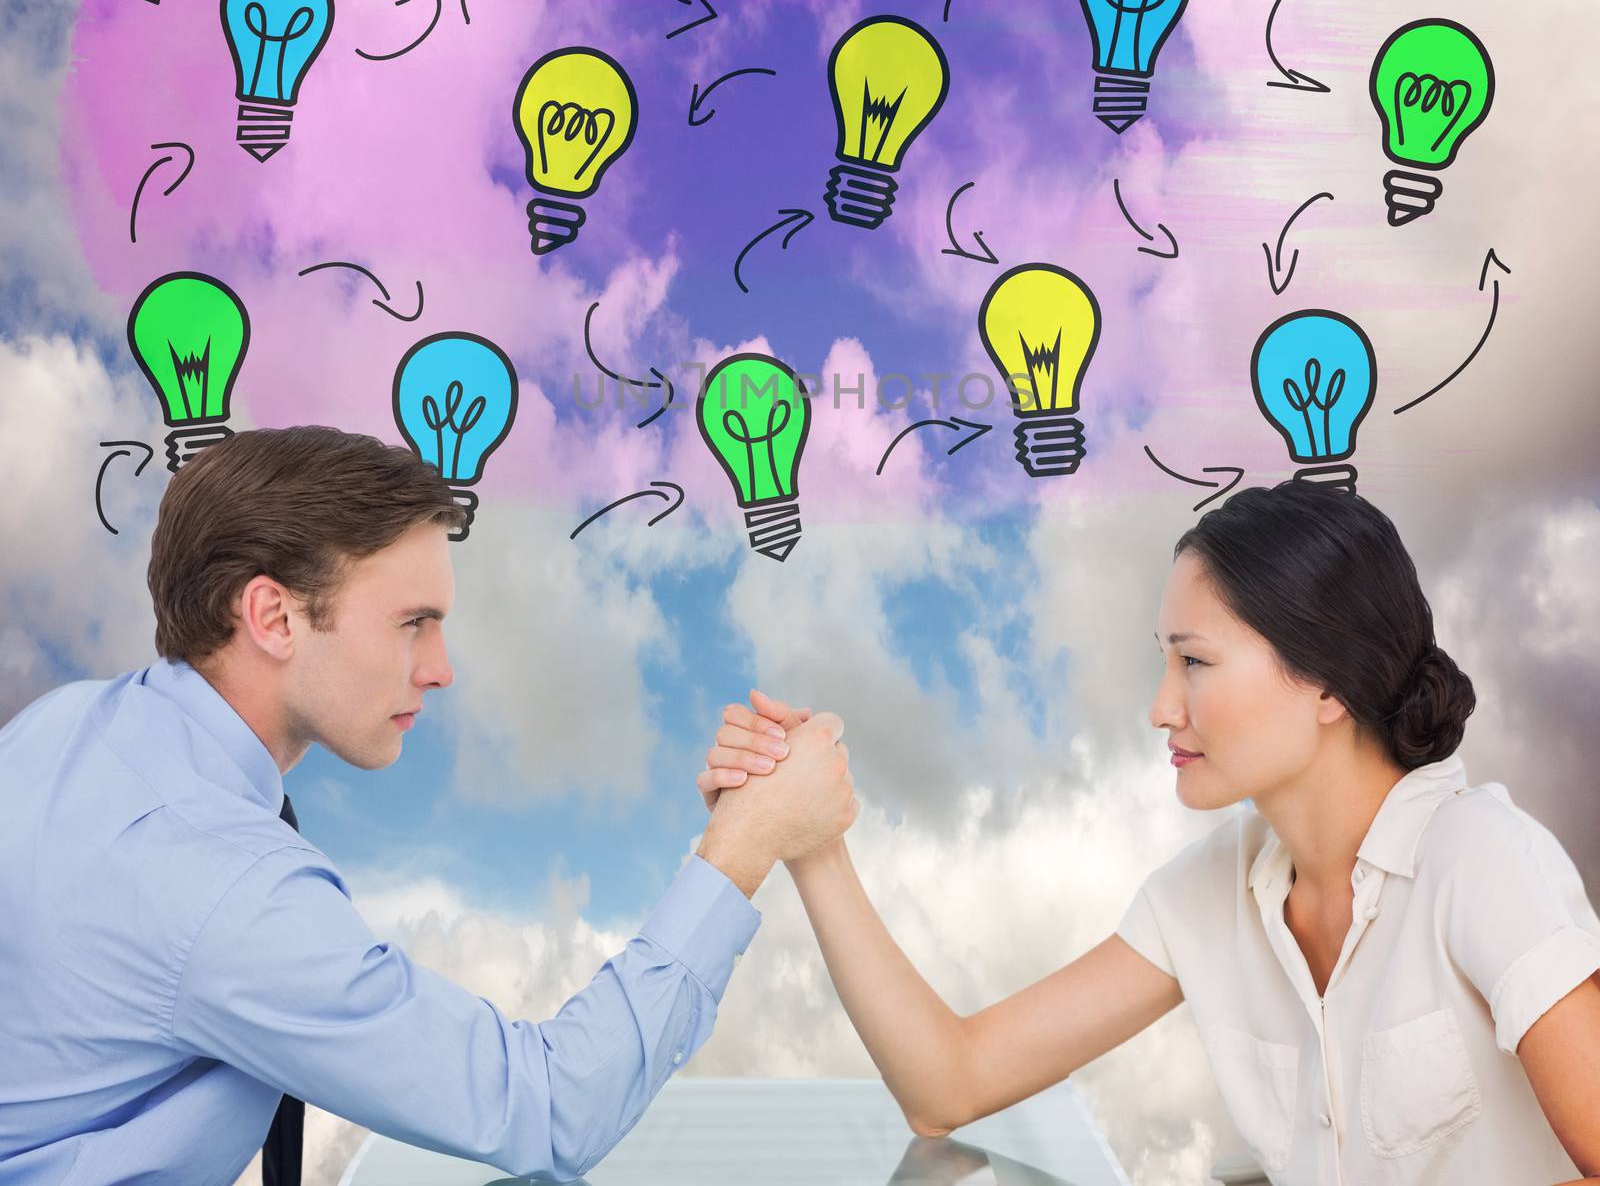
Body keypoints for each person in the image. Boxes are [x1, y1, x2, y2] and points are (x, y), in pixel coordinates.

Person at [0, 425, 856, 1186]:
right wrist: (742, 846)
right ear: (272, 616)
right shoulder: (223, 883)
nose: (441, 667)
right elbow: (549, 1108)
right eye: (412, 622)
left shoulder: (64, 726)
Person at [702, 481, 1600, 1183]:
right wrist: (809, 842)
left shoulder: (1480, 860)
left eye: (1195, 662)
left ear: (1330, 682)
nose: (1161, 707)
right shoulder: (1206, 895)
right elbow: (949, 1086)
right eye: (1163, 662)